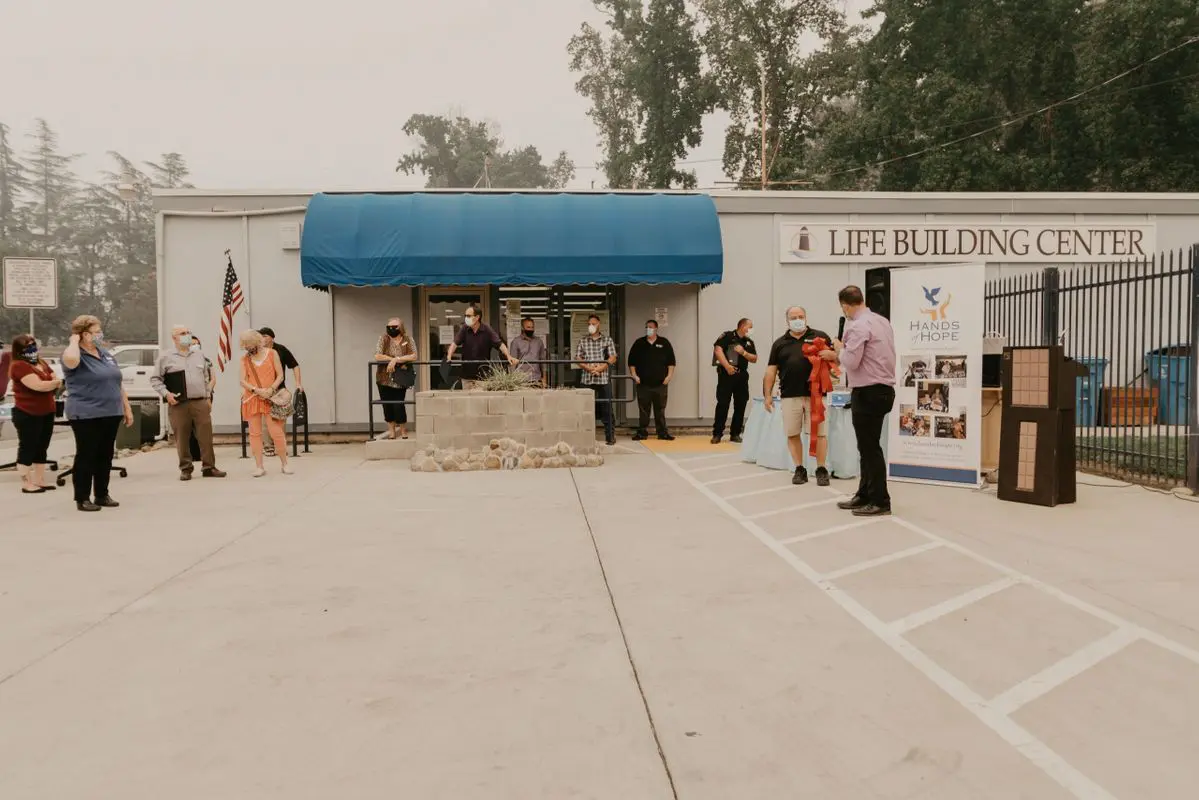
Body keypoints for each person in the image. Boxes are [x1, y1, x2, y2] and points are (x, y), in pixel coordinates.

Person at [820, 286, 897, 517]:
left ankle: (880, 500)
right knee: (867, 447)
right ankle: (864, 493)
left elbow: (851, 362)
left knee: (870, 448)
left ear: (845, 305)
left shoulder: (857, 326)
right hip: (882, 390)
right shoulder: (881, 321)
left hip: (868, 391)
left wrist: (839, 350)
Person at [62, 315, 134, 512]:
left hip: (111, 412)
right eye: (95, 332)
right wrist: (73, 341)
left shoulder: (105, 354)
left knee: (105, 455)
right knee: (87, 455)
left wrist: (126, 407)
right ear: (84, 334)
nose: (100, 335)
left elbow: (116, 382)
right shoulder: (75, 354)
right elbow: (70, 360)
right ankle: (82, 497)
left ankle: (102, 494)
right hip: (86, 413)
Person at [763, 307, 833, 486]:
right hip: (789, 395)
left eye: (801, 316)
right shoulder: (779, 343)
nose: (798, 320)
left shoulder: (820, 336)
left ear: (806, 317)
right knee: (792, 432)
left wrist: (833, 354)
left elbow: (836, 360)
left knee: (820, 434)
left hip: (816, 395)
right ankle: (799, 468)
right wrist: (767, 395)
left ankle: (821, 469)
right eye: (794, 317)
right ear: (787, 321)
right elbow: (771, 371)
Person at [151, 325, 225, 481]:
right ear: (174, 338)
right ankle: (186, 468)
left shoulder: (199, 355)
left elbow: (205, 378)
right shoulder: (165, 357)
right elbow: (155, 379)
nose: (187, 335)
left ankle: (209, 467)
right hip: (179, 404)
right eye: (182, 333)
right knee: (182, 438)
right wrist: (166, 394)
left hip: (200, 402)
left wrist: (207, 397)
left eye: (188, 333)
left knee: (206, 437)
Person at [8, 334, 62, 494]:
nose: (32, 348)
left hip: (47, 411)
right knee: (28, 447)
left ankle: (40, 480)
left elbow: (55, 378)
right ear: (19, 350)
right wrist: (52, 384)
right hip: (27, 412)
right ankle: (27, 483)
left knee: (42, 447)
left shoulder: (41, 362)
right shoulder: (19, 366)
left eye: (33, 344)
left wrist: (51, 383)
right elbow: (37, 386)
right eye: (27, 346)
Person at [239, 329, 292, 477]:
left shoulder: (272, 354)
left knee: (276, 432)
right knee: (255, 434)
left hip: (270, 397)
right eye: (245, 346)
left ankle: (284, 463)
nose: (248, 348)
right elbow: (242, 380)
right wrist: (256, 390)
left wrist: (271, 389)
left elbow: (280, 375)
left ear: (257, 342)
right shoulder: (245, 359)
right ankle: (259, 466)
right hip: (253, 398)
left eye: (249, 345)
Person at [445, 305, 518, 389]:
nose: (466, 318)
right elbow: (454, 343)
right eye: (465, 316)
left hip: (482, 376)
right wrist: (449, 356)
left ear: (477, 317)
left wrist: (508, 356)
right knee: (467, 401)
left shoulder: (487, 329)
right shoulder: (464, 328)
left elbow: (500, 344)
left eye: (468, 316)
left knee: (481, 400)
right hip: (466, 375)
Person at [627, 319, 676, 441]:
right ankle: (642, 433)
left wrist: (669, 376)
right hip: (643, 384)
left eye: (650, 327)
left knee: (660, 409)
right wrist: (634, 375)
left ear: (656, 328)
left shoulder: (664, 343)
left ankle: (662, 433)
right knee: (643, 410)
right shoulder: (639, 343)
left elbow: (671, 362)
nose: (648, 329)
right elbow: (631, 362)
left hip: (660, 384)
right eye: (646, 327)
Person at [711, 318, 758, 444]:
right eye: (750, 326)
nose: (751, 329)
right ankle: (717, 434)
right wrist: (727, 366)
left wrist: (743, 353)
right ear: (742, 326)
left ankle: (735, 433)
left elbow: (754, 358)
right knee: (723, 404)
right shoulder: (728, 336)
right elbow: (718, 349)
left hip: (741, 375)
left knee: (740, 404)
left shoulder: (748, 342)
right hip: (726, 375)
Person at [574, 314, 617, 446]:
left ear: (599, 324)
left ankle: (610, 436)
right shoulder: (583, 340)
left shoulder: (607, 340)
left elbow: (613, 357)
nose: (591, 326)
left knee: (607, 409)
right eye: (589, 324)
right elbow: (578, 358)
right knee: (584, 408)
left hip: (603, 379)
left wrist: (600, 368)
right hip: (587, 379)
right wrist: (588, 368)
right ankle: (584, 437)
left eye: (594, 323)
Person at [257, 327, 300, 457]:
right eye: (260, 336)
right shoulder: (258, 351)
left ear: (271, 337)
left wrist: (298, 383)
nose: (262, 339)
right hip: (263, 390)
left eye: (264, 336)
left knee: (280, 419)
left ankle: (280, 445)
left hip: (279, 389)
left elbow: (294, 365)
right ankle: (268, 446)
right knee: (265, 419)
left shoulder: (281, 350)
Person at [373, 317, 418, 440]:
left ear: (401, 327)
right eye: (389, 327)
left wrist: (397, 360)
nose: (391, 329)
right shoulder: (384, 339)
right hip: (384, 377)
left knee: (399, 404)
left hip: (400, 377)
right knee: (387, 405)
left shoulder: (408, 339)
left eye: (394, 327)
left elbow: (414, 355)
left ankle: (403, 430)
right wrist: (391, 359)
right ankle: (391, 431)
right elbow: (377, 355)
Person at [186, 335, 216, 462]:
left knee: (202, 425)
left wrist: (207, 393)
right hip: (189, 396)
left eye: (196, 343)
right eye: (192, 344)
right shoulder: (184, 360)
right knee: (189, 425)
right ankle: (192, 453)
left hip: (205, 395)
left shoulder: (206, 360)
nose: (194, 346)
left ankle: (204, 454)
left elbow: (213, 379)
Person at [508, 317, 547, 386]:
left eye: (532, 327)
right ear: (522, 328)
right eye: (528, 327)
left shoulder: (539, 342)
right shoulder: (516, 342)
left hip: (536, 379)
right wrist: (512, 381)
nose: (531, 329)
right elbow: (512, 363)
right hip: (521, 380)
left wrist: (544, 379)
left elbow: (543, 361)